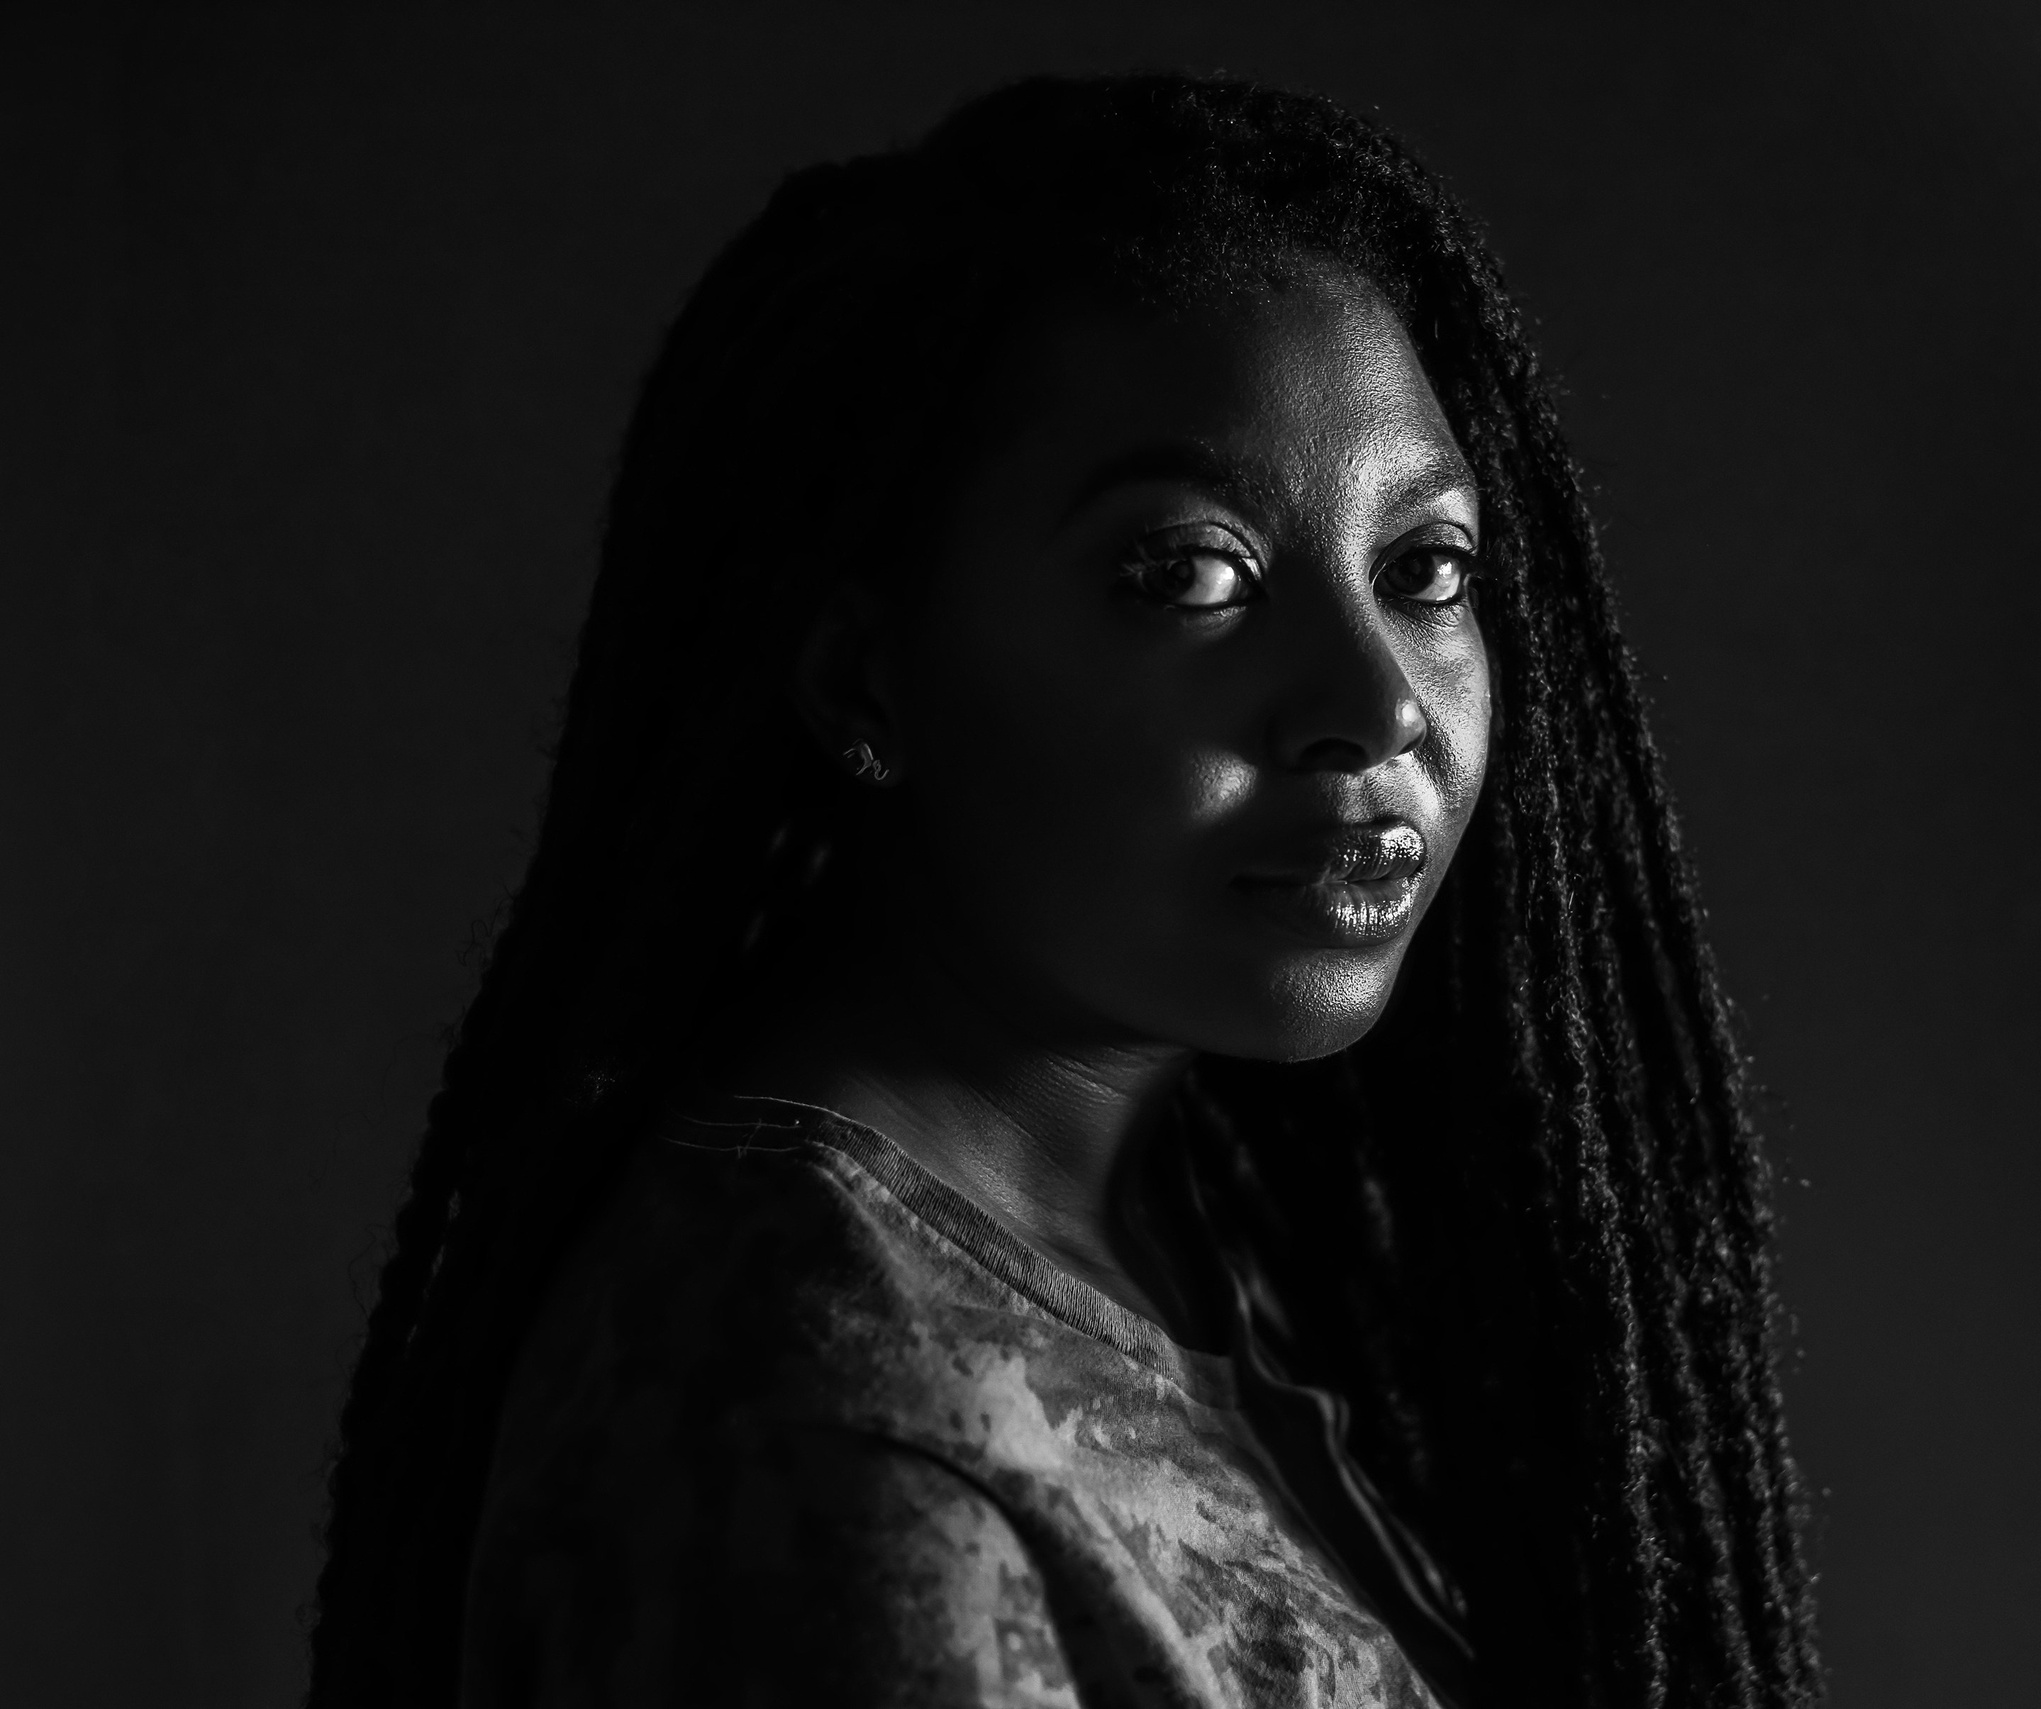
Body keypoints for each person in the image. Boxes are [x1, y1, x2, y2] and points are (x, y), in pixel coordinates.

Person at [305, 73, 1821, 1709]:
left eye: (1425, 570)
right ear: (869, 677)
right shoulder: (842, 1437)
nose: (1375, 707)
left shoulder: (1174, 1232)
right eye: (1190, 573)